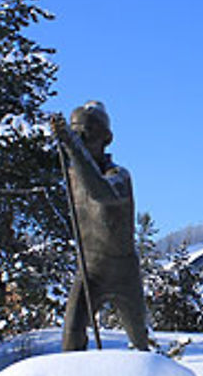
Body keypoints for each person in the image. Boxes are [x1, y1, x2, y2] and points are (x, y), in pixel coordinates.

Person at [51, 101, 151, 352]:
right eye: (76, 134)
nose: (81, 140)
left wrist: (73, 147)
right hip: (91, 271)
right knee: (71, 338)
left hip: (123, 272)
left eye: (86, 134)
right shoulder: (72, 173)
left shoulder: (119, 176)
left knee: (140, 345)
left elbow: (99, 192)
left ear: (106, 138)